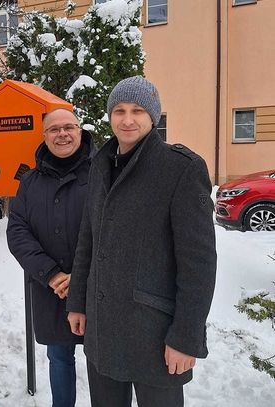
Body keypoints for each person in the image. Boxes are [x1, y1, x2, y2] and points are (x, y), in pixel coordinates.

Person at [66, 76, 217, 407]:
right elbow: (87, 240)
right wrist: (77, 301)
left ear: (153, 116)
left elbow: (199, 263)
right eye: (119, 110)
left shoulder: (181, 169)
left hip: (155, 333)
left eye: (137, 110)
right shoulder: (100, 166)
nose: (127, 119)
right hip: (103, 326)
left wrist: (186, 337)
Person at [7, 108, 95, 407]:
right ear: (44, 136)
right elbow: (18, 231)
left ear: (80, 131)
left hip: (99, 287)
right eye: (54, 130)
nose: (62, 134)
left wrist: (83, 277)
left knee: (102, 362)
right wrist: (52, 274)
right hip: (51, 290)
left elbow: (116, 230)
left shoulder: (104, 173)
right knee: (59, 357)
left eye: (68, 127)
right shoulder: (30, 182)